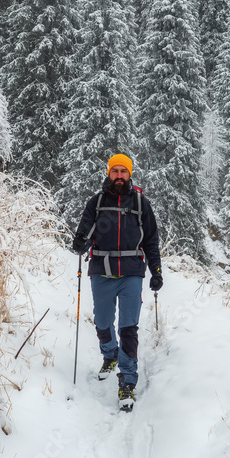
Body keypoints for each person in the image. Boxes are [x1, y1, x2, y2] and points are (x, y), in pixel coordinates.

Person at [72, 154, 163, 411]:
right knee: (102, 322)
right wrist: (80, 243)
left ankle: (127, 379)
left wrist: (156, 271)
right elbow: (85, 232)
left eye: (124, 171)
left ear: (130, 174)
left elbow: (151, 241)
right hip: (101, 270)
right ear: (109, 173)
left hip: (132, 273)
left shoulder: (140, 203)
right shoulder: (97, 202)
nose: (120, 176)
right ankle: (109, 353)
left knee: (128, 327)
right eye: (116, 171)